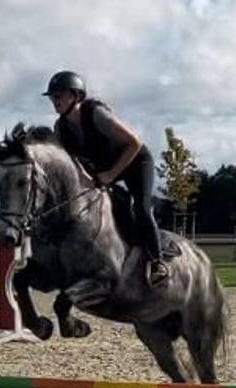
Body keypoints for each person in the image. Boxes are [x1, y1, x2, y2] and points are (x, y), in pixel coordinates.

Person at [42, 70, 169, 286]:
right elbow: (74, 164)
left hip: (135, 162)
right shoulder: (61, 129)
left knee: (141, 208)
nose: (55, 102)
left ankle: (158, 262)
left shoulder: (96, 115)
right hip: (105, 169)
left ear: (76, 96)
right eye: (53, 97)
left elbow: (134, 143)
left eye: (59, 96)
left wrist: (110, 175)